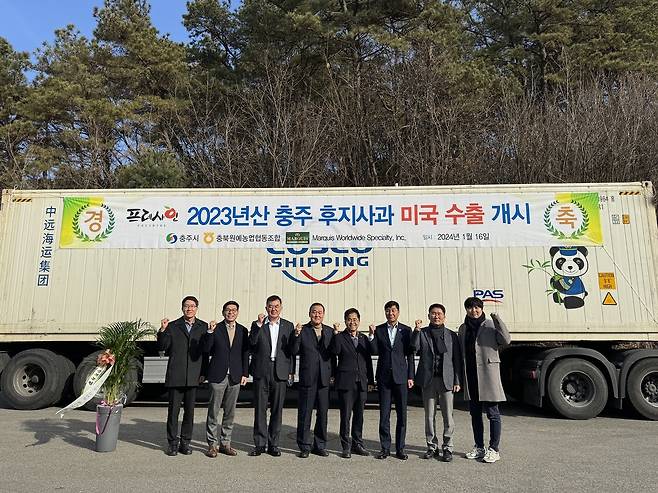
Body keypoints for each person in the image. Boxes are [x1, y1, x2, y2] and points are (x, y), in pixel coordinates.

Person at [458, 296, 511, 463]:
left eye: (477, 307)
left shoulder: (489, 324)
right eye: (470, 307)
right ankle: (479, 447)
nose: (474, 310)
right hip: (471, 376)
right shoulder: (463, 328)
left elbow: (505, 340)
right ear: (466, 309)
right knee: (475, 415)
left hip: (488, 376)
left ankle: (494, 449)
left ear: (481, 308)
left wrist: (497, 319)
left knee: (493, 414)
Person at [411, 304, 462, 462]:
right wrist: (416, 331)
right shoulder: (423, 333)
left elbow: (456, 359)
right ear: (428, 316)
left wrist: (457, 380)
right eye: (433, 314)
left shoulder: (451, 335)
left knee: (448, 416)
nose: (436, 316)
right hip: (428, 380)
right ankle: (431, 447)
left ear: (444, 316)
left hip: (446, 380)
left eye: (439, 314)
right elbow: (414, 347)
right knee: (429, 416)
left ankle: (448, 448)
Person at [157, 295, 207, 456]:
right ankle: (172, 443)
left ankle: (185, 442)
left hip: (193, 376)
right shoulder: (172, 326)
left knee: (190, 412)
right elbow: (162, 347)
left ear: (197, 308)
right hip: (176, 375)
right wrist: (163, 331)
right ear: (182, 308)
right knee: (173, 412)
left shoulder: (203, 326)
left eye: (192, 306)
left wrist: (203, 373)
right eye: (186, 306)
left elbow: (205, 353)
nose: (189, 308)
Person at [248, 295, 295, 457]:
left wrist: (291, 371)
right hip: (262, 369)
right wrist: (258, 325)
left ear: (281, 308)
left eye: (276, 306)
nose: (273, 309)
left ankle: (274, 444)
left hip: (280, 370)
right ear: (266, 308)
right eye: (270, 306)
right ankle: (260, 444)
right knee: (260, 409)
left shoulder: (288, 326)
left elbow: (292, 352)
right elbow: (251, 344)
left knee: (277, 410)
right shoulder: (258, 325)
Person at [368, 300, 415, 460]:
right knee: (384, 414)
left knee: (402, 414)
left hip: (401, 377)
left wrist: (410, 376)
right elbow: (374, 351)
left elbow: (410, 354)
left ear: (398, 312)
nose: (391, 313)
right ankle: (385, 448)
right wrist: (372, 336)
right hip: (384, 377)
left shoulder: (406, 330)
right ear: (385, 312)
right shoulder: (380, 330)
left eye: (393, 310)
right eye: (388, 310)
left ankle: (400, 448)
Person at [202, 301, 249, 458]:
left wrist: (245, 373)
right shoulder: (216, 329)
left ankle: (225, 443)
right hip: (217, 375)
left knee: (230, 412)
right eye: (228, 310)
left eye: (234, 310)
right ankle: (212, 445)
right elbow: (206, 349)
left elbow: (245, 353)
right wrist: (209, 332)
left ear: (237, 313)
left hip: (235, 376)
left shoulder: (243, 330)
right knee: (213, 412)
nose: (230, 313)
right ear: (223, 312)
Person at [289, 302, 335, 458]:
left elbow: (333, 355)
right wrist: (295, 335)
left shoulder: (329, 331)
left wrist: (333, 374)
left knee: (323, 414)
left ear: (324, 314)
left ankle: (320, 445)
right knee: (305, 413)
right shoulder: (303, 330)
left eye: (320, 312)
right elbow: (294, 351)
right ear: (310, 314)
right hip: (307, 377)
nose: (317, 315)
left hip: (324, 378)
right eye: (314, 312)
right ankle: (304, 446)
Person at [330, 308, 374, 459]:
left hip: (361, 382)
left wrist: (371, 380)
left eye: (355, 319)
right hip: (346, 383)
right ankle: (345, 446)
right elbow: (334, 352)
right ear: (345, 321)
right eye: (349, 319)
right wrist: (335, 334)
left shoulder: (363, 338)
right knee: (346, 416)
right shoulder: (341, 337)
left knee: (359, 415)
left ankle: (358, 444)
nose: (352, 322)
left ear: (359, 321)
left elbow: (368, 360)